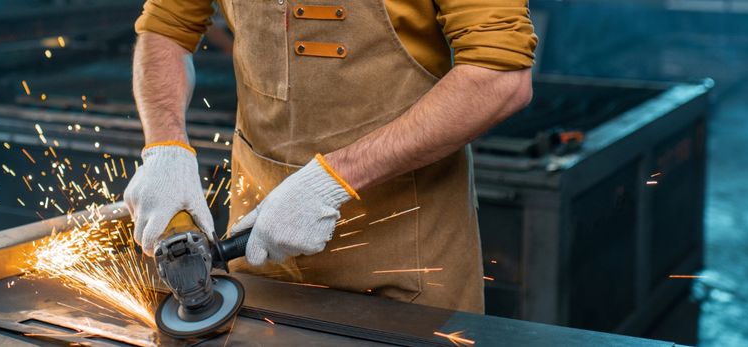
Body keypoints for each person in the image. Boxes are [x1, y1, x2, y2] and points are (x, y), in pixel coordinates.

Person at [124, 0, 535, 313]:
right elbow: (166, 28)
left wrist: (330, 181)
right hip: (255, 247)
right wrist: (165, 147)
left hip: (407, 262)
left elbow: (498, 77)